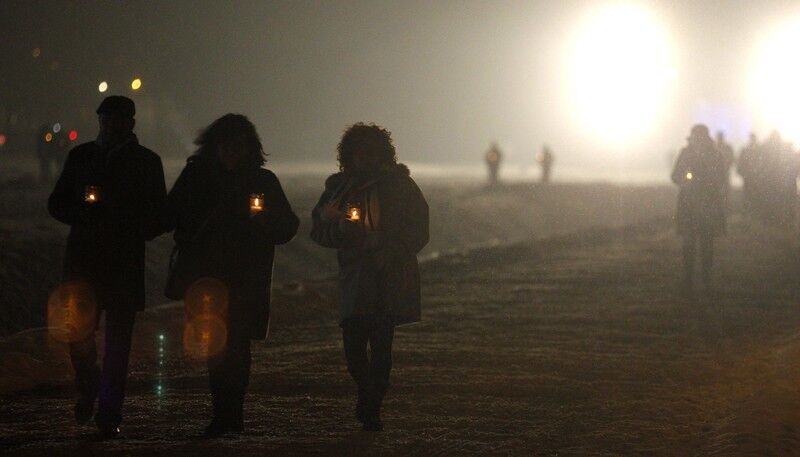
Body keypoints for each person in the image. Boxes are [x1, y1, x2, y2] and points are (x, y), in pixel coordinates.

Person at [162, 114, 299, 437]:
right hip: (207, 277)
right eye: (226, 146)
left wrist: (263, 221)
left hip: (244, 279)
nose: (232, 153)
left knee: (235, 346)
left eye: (239, 146)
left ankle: (230, 414)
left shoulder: (263, 181)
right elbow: (169, 214)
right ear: (215, 147)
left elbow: (288, 226)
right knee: (215, 344)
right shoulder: (197, 176)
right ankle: (223, 413)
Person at [47, 96, 166, 438]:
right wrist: (81, 213)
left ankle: (110, 412)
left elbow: (159, 214)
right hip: (84, 262)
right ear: (100, 121)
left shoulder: (146, 162)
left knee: (118, 344)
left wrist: (130, 224)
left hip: (122, 263)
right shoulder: (81, 157)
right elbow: (56, 202)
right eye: (106, 119)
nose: (111, 125)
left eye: (118, 119)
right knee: (79, 334)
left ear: (131, 123)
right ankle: (90, 384)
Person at [310, 123, 429, 431]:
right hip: (355, 278)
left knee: (381, 344)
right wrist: (340, 231)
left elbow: (419, 228)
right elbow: (318, 229)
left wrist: (394, 249)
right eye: (358, 151)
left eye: (370, 151)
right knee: (353, 348)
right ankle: (367, 391)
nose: (363, 157)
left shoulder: (401, 186)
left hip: (389, 276)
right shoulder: (339, 189)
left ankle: (372, 407)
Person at [671, 124, 726, 294]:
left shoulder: (713, 155)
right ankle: (692, 280)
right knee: (692, 244)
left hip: (704, 204)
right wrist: (686, 180)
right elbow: (675, 176)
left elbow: (721, 177)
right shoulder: (692, 153)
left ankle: (704, 280)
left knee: (704, 244)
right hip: (693, 204)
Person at [737, 133, 761, 216]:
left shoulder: (747, 150)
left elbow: (740, 162)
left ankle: (748, 209)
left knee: (749, 192)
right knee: (751, 192)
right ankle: (751, 209)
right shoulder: (758, 150)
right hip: (752, 175)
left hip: (750, 175)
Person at [715, 130, 735, 207]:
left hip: (722, 172)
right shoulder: (716, 148)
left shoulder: (715, 148)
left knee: (724, 189)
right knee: (721, 189)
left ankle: (725, 205)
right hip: (721, 172)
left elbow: (732, 159)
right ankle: (724, 205)